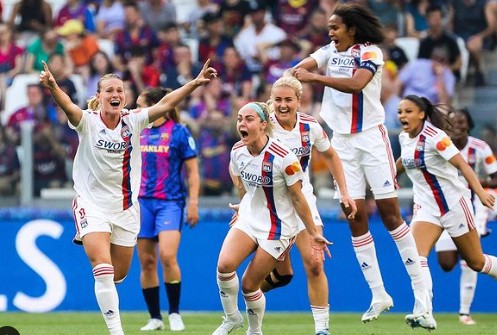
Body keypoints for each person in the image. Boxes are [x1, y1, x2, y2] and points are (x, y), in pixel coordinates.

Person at [39, 59, 216, 335]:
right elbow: (68, 107)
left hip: (125, 209)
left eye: (119, 90)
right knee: (103, 267)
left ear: (125, 96)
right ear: (99, 96)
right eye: (109, 90)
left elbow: (166, 104)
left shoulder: (133, 121)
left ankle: (112, 289)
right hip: (91, 204)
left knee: (118, 274)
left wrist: (194, 82)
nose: (115, 95)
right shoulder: (87, 121)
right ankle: (116, 331)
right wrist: (52, 86)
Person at [286, 3, 430, 323]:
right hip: (342, 144)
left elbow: (356, 84)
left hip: (371, 138)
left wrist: (313, 77)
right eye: (329, 28)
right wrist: (292, 75)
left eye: (335, 27)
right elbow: (302, 66)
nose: (330, 32)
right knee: (354, 216)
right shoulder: (329, 51)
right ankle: (379, 294)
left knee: (391, 215)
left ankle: (421, 296)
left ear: (352, 29)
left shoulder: (371, 54)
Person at [212, 102, 331, 335]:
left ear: (263, 125)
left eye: (248, 119)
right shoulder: (237, 151)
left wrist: (314, 233)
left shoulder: (284, 158)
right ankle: (232, 318)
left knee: (249, 285)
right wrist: (243, 205)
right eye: (239, 119)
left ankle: (255, 331)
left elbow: (298, 199)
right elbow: (239, 181)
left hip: (278, 228)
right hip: (249, 219)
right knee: (224, 266)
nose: (242, 124)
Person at [261, 76, 357, 335]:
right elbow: (239, 156)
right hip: (268, 204)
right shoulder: (261, 124)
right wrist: (244, 199)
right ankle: (251, 293)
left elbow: (331, 155)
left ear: (299, 101)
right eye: (278, 99)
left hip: (302, 200)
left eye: (288, 100)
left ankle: (322, 329)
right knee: (282, 274)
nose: (282, 105)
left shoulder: (310, 127)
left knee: (315, 262)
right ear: (271, 100)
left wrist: (345, 192)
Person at [396, 95, 497, 330]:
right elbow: (405, 159)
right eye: (400, 112)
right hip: (426, 208)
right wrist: (389, 175)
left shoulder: (437, 139)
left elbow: (462, 164)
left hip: (454, 205)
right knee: (415, 256)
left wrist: (480, 192)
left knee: (476, 262)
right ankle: (424, 312)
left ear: (422, 114)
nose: (402, 116)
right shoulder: (404, 137)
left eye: (408, 111)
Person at [136, 87, 200, 332]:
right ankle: (155, 317)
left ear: (156, 106)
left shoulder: (179, 132)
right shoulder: (136, 129)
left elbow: (193, 172)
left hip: (170, 202)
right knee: (147, 262)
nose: (137, 110)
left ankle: (174, 312)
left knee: (167, 256)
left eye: (141, 105)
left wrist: (193, 203)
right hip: (141, 202)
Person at [433, 107, 497, 325]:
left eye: (461, 122)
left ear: (468, 125)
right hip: (446, 206)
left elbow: (495, 177)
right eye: (452, 123)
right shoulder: (439, 145)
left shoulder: (480, 148)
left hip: (474, 206)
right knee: (446, 263)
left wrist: (475, 184)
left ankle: (464, 313)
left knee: (471, 260)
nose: (457, 126)